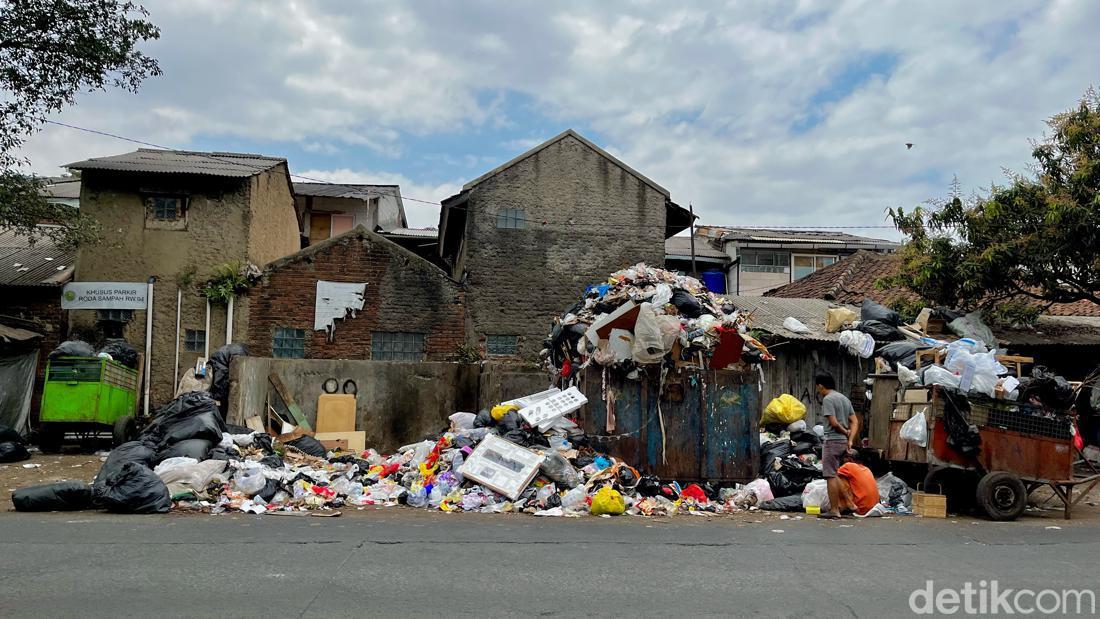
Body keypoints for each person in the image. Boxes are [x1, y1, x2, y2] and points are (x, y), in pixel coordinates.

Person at [814, 373, 859, 519]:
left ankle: (834, 510)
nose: (817, 390)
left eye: (817, 387)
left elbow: (833, 423)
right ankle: (850, 503)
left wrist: (844, 431)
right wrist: (850, 438)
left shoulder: (828, 399)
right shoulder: (844, 398)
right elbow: (854, 421)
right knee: (834, 473)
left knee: (829, 475)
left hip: (832, 441)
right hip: (843, 442)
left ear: (821, 385)